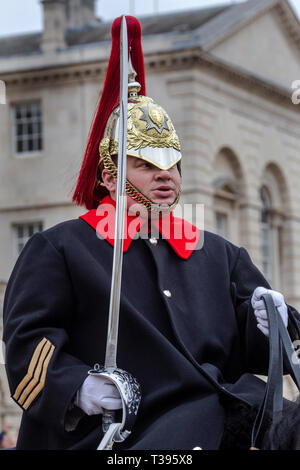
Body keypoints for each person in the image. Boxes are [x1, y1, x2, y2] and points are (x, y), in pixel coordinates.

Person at [2, 16, 300, 451]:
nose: (165, 176)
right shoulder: (61, 248)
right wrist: (79, 388)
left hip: (233, 414)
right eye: (146, 164)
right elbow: (27, 348)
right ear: (109, 175)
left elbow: (254, 352)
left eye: (171, 164)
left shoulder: (220, 255)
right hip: (131, 432)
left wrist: (271, 322)